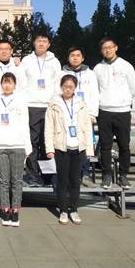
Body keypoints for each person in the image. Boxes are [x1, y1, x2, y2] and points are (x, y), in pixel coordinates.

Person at [45, 75, 95, 225]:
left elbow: (87, 127)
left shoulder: (81, 103)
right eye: (65, 86)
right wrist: (49, 148)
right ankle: (63, 210)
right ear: (61, 87)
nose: (68, 89)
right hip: (61, 147)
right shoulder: (54, 104)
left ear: (75, 88)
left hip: (78, 147)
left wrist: (89, 148)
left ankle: (73, 209)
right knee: (62, 181)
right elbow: (49, 127)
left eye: (71, 87)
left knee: (75, 181)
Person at [94, 37, 135, 190]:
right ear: (101, 51)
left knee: (124, 145)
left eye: (110, 47)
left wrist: (123, 101)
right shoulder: (97, 68)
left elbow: (133, 89)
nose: (107, 50)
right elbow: (95, 89)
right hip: (104, 111)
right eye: (104, 48)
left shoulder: (126, 66)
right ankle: (106, 175)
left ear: (116, 48)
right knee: (105, 146)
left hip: (122, 111)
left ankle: (123, 175)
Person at [0, 72, 31, 227]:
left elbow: (25, 123)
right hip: (0, 145)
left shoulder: (21, 100)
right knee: (3, 181)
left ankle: (15, 210)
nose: (7, 85)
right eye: (4, 82)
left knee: (17, 180)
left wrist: (27, 146)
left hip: (18, 145)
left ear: (15, 85)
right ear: (1, 84)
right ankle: (5, 209)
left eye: (10, 82)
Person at [21, 33, 62, 187]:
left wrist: (55, 103)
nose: (41, 44)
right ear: (34, 43)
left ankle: (47, 177)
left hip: (49, 106)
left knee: (48, 143)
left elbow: (58, 84)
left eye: (44, 41)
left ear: (49, 44)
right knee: (32, 142)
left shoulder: (55, 62)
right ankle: (32, 176)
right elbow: (21, 83)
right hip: (31, 106)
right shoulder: (26, 60)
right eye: (39, 41)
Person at [61, 46, 99, 188]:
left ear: (82, 58)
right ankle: (70, 176)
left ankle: (85, 175)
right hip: (68, 115)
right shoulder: (62, 73)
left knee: (85, 146)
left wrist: (92, 114)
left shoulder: (91, 74)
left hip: (85, 116)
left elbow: (95, 95)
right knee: (68, 146)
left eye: (78, 55)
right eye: (72, 55)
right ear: (68, 58)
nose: (75, 58)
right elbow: (58, 92)